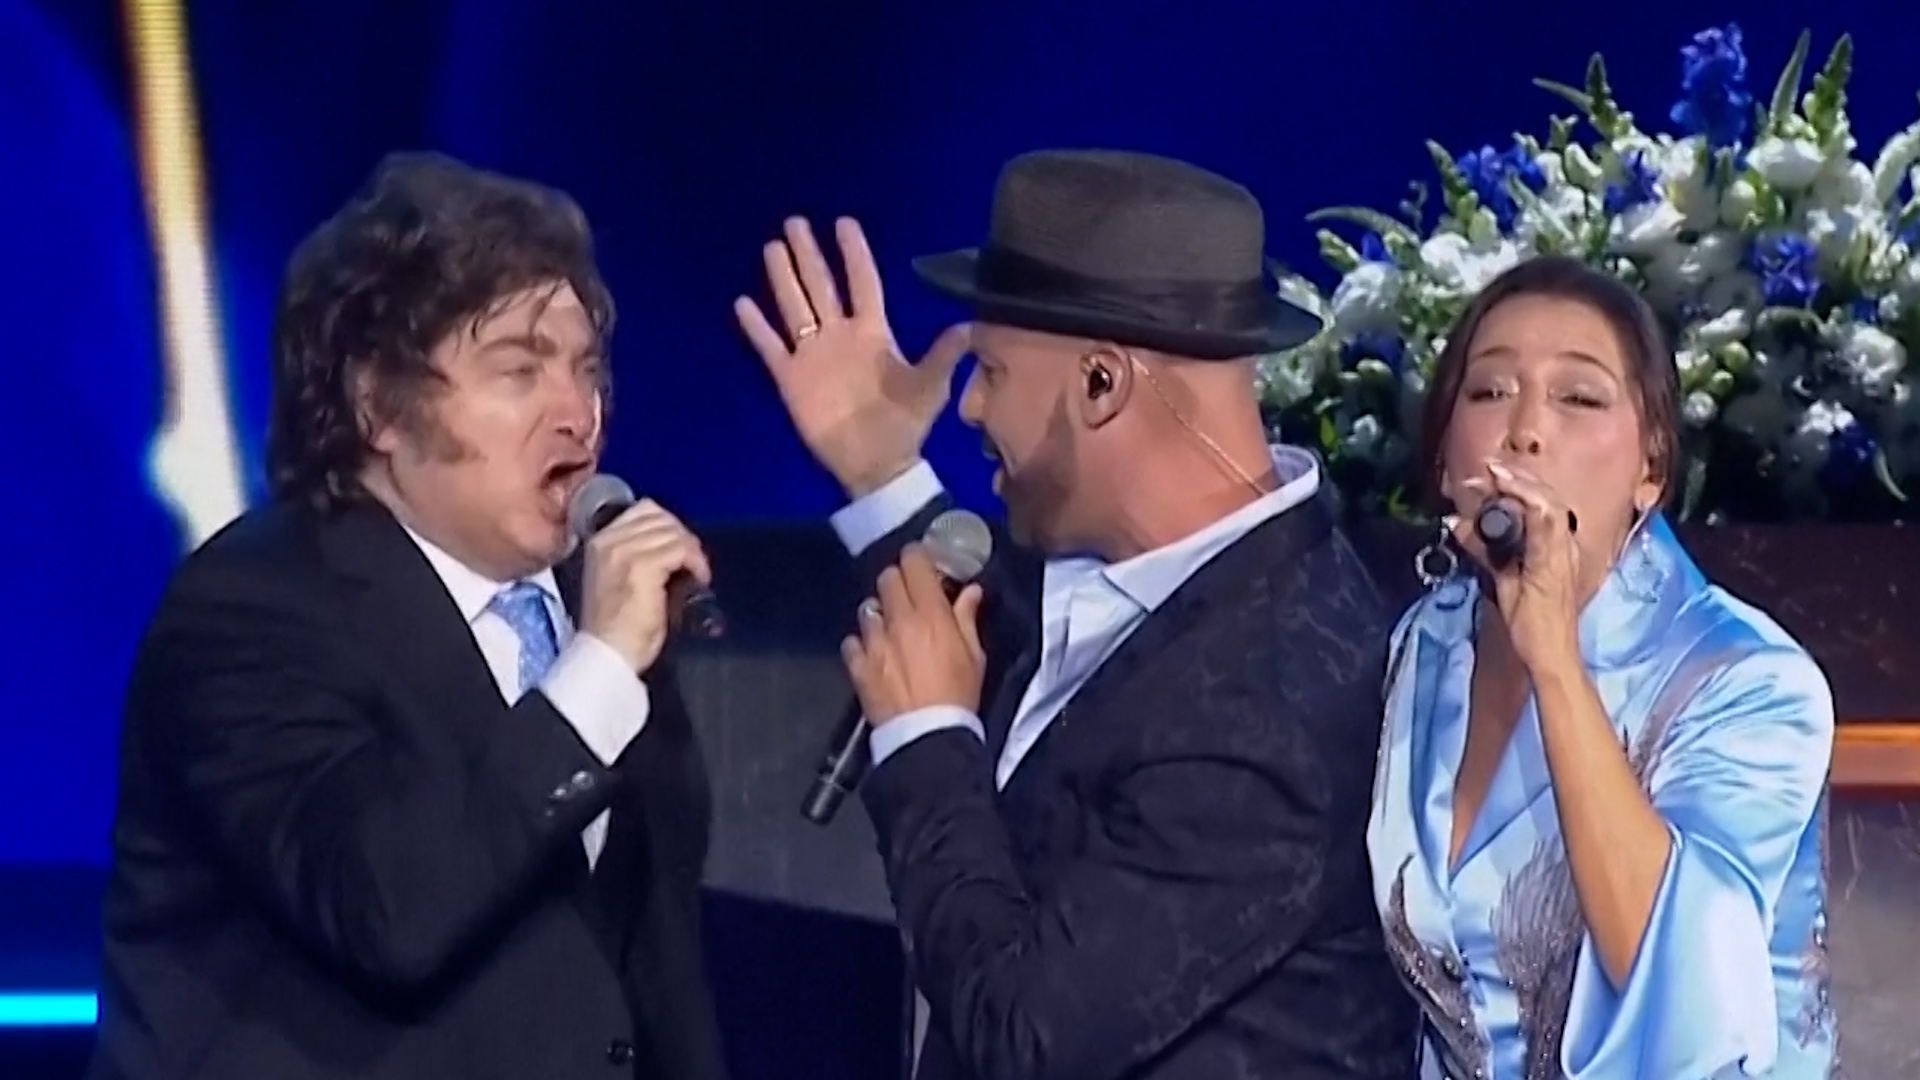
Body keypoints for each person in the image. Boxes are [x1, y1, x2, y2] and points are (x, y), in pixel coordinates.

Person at [736, 149, 1417, 1080]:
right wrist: (880, 472)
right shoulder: (1168, 581)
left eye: (992, 371)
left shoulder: (1272, 711)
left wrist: (926, 740)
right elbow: (1050, 691)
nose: (968, 405)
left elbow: (1026, 1039)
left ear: (1102, 384)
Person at [88, 153, 729, 1080]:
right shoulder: (250, 610)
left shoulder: (598, 614)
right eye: (520, 371)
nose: (578, 415)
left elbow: (654, 971)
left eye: (587, 370)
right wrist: (593, 673)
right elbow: (387, 907)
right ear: (379, 404)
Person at [1368, 254, 1838, 1079]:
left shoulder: (1748, 680)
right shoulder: (1424, 648)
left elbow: (1685, 998)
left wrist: (1554, 660)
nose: (1525, 430)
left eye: (1579, 398)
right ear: (1444, 459)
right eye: (1488, 392)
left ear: (1649, 469)